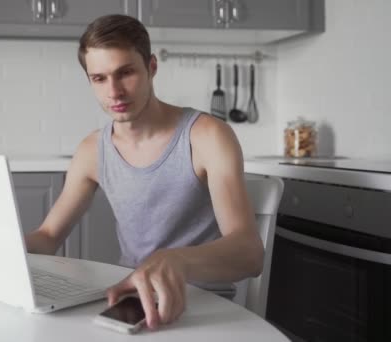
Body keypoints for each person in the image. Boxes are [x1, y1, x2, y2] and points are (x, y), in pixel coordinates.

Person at [25, 14, 263, 330]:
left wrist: (177, 260)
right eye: (99, 78)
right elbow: (48, 236)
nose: (115, 92)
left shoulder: (207, 136)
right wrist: (0, 251)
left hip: (206, 308)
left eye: (125, 73)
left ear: (151, 67)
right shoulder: (91, 150)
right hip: (129, 304)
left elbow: (249, 253)